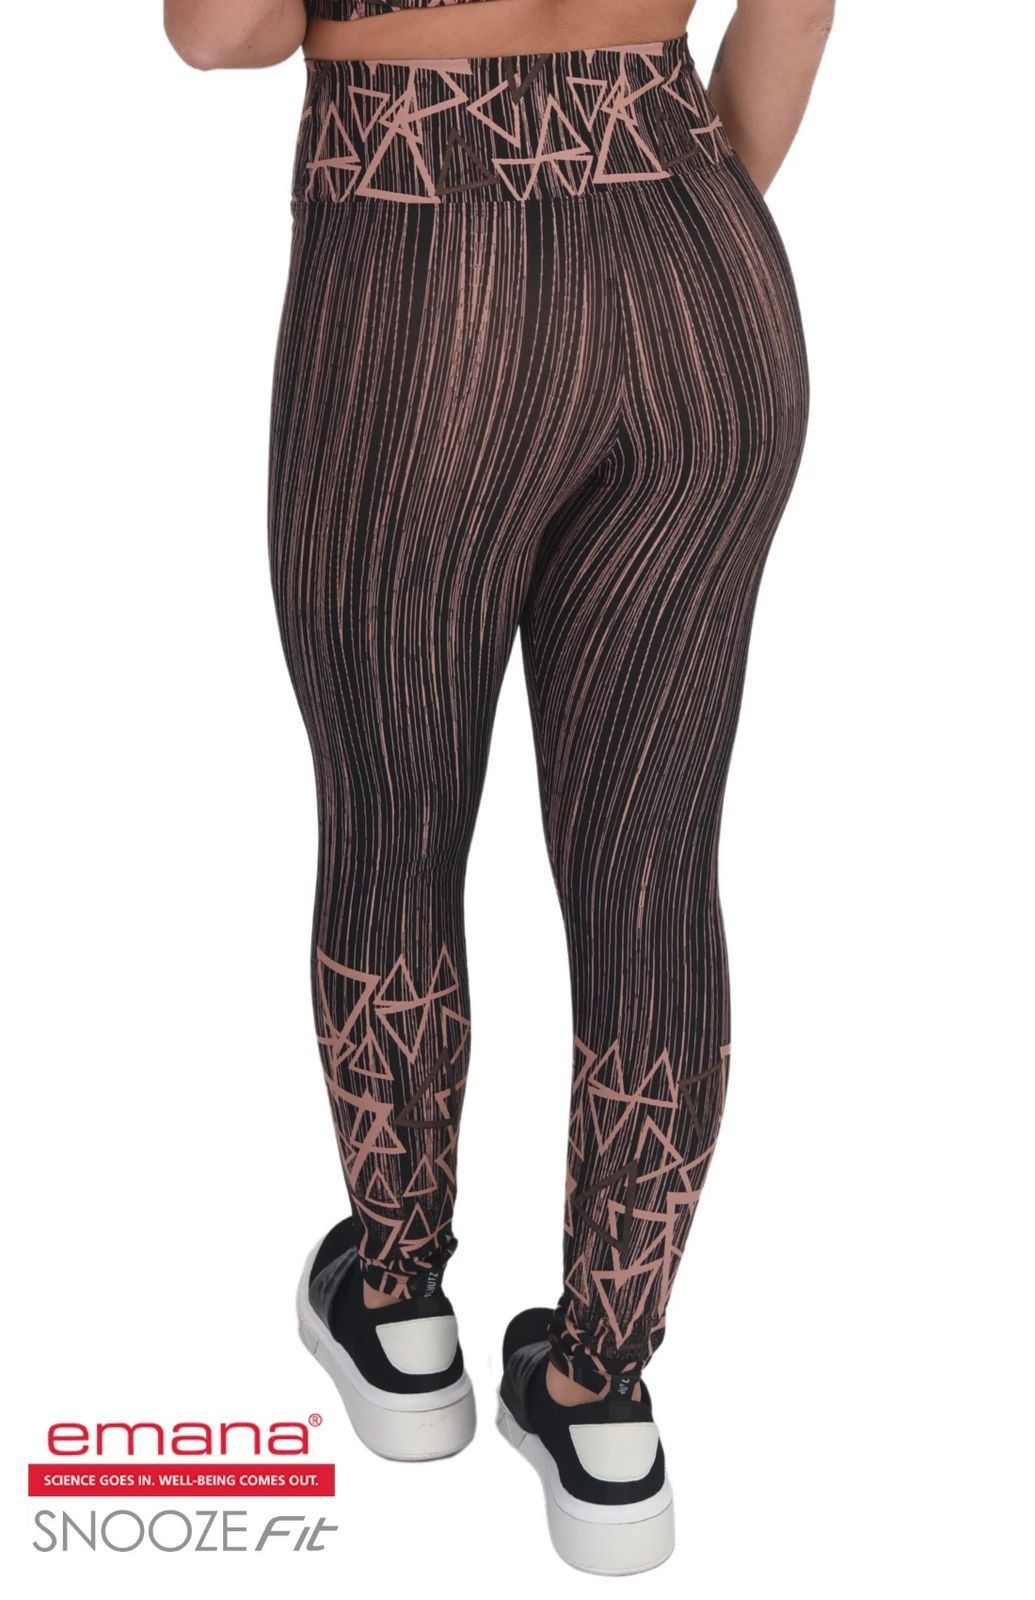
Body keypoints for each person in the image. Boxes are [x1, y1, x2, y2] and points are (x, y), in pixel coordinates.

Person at [165, 0, 832, 1574]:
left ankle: (400, 1311)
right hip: (690, 253)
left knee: (393, 820)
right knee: (652, 869)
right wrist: (653, 230)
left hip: (416, 271)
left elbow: (219, 31)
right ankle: (603, 1400)